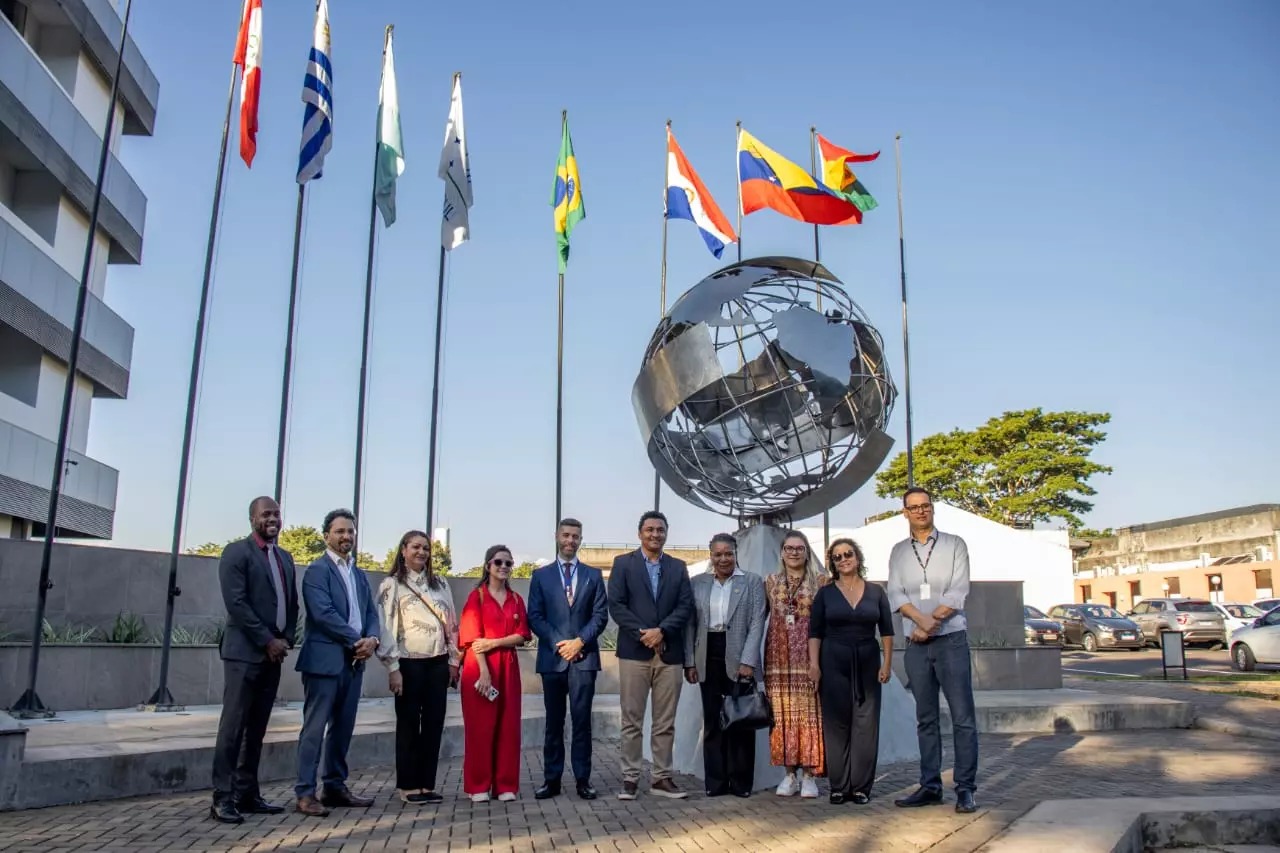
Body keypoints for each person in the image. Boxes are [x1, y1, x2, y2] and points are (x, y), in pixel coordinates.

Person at [887, 487, 979, 814]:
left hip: (950, 640)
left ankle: (966, 788)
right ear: (905, 513)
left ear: (932, 509)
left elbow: (957, 592)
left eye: (925, 506)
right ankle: (930, 786)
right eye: (913, 507)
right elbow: (896, 595)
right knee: (925, 719)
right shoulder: (898, 551)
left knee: (962, 717)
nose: (920, 511)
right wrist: (921, 623)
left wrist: (931, 623)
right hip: (916, 645)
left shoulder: (955, 544)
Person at [209, 496, 298, 824]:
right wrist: (267, 640)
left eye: (276, 513)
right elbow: (237, 603)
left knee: (257, 728)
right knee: (233, 727)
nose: (272, 519)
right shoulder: (237, 552)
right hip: (243, 655)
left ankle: (247, 793)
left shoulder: (285, 558)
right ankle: (222, 797)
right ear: (252, 519)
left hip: (273, 656)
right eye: (266, 514)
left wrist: (286, 637)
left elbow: (292, 604)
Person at [294, 509, 380, 817]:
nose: (346, 536)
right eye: (340, 531)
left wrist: (373, 639)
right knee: (315, 729)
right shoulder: (317, 571)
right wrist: (357, 640)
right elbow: (322, 613)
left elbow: (371, 612)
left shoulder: (358, 573)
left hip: (354, 663)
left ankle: (334, 786)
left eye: (351, 531)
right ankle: (305, 793)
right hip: (325, 661)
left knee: (343, 728)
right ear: (326, 535)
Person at [607, 510, 694, 800]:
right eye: (650, 529)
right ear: (640, 533)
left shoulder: (678, 567)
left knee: (664, 721)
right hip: (634, 652)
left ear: (666, 533)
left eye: (660, 530)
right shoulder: (623, 564)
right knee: (631, 719)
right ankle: (630, 777)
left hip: (669, 654)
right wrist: (644, 633)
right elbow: (616, 605)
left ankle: (661, 777)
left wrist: (662, 631)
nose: (655, 534)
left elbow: (685, 607)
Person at [527, 518, 609, 800]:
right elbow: (535, 616)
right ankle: (552, 780)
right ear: (556, 537)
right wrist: (558, 643)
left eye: (576, 536)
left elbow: (600, 616)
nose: (570, 540)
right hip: (553, 659)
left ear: (581, 539)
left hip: (584, 660)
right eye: (566, 535)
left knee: (582, 722)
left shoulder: (593, 576)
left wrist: (579, 641)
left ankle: (583, 780)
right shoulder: (541, 576)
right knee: (554, 722)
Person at [376, 530, 460, 804]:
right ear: (403, 550)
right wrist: (393, 667)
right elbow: (387, 628)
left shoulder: (440, 584)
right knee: (409, 724)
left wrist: (453, 660)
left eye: (425, 548)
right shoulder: (392, 585)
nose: (421, 552)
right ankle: (408, 785)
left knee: (434, 723)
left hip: (437, 663)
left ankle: (427, 784)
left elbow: (451, 625)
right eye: (415, 547)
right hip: (408, 663)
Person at [809, 538, 894, 805]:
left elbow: (887, 630)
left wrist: (887, 663)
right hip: (833, 660)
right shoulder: (825, 593)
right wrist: (814, 665)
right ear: (832, 563)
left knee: (865, 724)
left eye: (848, 554)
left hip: (868, 660)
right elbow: (815, 632)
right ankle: (839, 785)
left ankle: (860, 787)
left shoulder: (876, 592)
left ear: (857, 557)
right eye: (837, 557)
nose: (844, 559)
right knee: (836, 724)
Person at [683, 533, 766, 798]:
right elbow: (690, 625)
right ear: (711, 556)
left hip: (739, 657)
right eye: (718, 554)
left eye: (728, 553)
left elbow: (757, 622)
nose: (723, 559)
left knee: (741, 720)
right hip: (708, 656)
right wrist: (690, 662)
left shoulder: (752, 581)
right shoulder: (697, 583)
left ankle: (741, 783)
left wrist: (748, 660)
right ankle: (715, 783)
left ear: (735, 553)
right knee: (713, 721)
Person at [459, 545, 531, 803]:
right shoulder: (476, 597)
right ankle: (478, 785)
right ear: (488, 565)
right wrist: (484, 670)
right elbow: (472, 640)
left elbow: (522, 634)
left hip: (508, 666)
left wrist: (494, 643)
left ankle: (505, 784)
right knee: (480, 726)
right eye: (498, 562)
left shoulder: (516, 600)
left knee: (509, 725)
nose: (503, 567)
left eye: (508, 563)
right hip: (479, 668)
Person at [764, 529, 826, 799]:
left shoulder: (821, 582)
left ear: (807, 551)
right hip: (778, 658)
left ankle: (809, 775)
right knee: (782, 716)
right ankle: (789, 774)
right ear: (782, 552)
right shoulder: (770, 582)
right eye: (789, 548)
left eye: (799, 548)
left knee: (809, 714)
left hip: (808, 657)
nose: (794, 553)